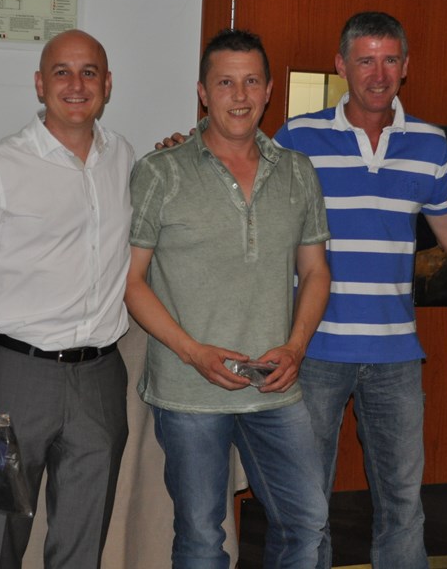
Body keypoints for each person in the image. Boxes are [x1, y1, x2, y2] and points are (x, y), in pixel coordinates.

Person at [125, 29, 331, 569]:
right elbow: (131, 281)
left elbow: (315, 272)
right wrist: (193, 352)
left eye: (251, 82)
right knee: (200, 537)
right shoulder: (160, 171)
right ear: (202, 92)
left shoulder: (298, 171)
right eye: (224, 83)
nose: (239, 96)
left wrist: (296, 347)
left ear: (268, 91)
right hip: (189, 389)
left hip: (274, 385)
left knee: (307, 521)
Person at [0, 29, 133, 569]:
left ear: (107, 84)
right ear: (39, 84)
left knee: (83, 543)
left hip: (100, 378)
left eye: (89, 72)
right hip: (12, 377)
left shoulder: (123, 157)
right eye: (61, 72)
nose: (76, 84)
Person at [273, 11, 447, 569]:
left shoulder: (431, 145)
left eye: (390, 60)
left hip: (396, 355)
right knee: (306, 504)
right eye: (365, 60)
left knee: (403, 505)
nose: (378, 74)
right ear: (341, 65)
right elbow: (250, 207)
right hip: (313, 351)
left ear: (406, 65)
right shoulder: (297, 138)